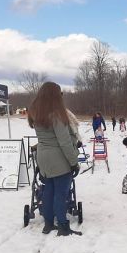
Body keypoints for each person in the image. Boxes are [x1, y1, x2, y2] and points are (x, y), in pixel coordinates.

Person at [27, 82, 82, 236]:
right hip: (58, 158)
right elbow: (64, 142)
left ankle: (48, 224)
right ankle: (63, 226)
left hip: (43, 157)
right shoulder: (56, 115)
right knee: (60, 193)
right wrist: (74, 163)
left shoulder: (36, 113)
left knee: (48, 191)